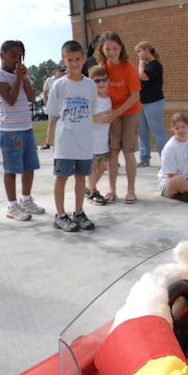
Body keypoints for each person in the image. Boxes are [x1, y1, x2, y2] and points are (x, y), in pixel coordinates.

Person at [45, 41, 98, 232]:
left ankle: (78, 212)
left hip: (83, 142)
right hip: (65, 143)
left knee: (81, 177)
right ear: (63, 61)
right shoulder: (59, 85)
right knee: (62, 177)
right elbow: (54, 113)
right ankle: (60, 215)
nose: (74, 63)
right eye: (70, 60)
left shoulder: (90, 85)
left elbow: (91, 111)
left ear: (84, 59)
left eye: (78, 59)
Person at [0, 39, 44, 221]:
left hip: (26, 127)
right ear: (2, 55)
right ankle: (12, 206)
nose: (17, 60)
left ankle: (26, 200)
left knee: (29, 166)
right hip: (9, 129)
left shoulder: (19, 75)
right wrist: (18, 78)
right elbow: (10, 99)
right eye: (13, 56)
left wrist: (25, 78)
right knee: (12, 168)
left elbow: (30, 97)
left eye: (20, 56)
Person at [95, 31, 141, 204]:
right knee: (113, 151)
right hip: (111, 113)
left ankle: (131, 190)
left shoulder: (128, 67)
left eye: (115, 48)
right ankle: (112, 189)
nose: (112, 52)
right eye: (108, 49)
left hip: (129, 111)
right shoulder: (102, 66)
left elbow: (135, 95)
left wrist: (117, 112)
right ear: (102, 49)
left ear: (121, 48)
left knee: (128, 151)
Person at [135, 41, 168, 168]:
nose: (139, 54)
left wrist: (141, 61)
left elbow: (143, 76)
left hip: (154, 102)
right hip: (142, 102)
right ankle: (144, 157)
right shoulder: (145, 65)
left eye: (140, 51)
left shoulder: (155, 65)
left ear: (147, 49)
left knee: (157, 130)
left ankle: (166, 158)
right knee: (142, 131)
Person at [86, 65, 113, 206]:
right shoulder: (91, 98)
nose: (101, 83)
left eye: (103, 80)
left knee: (102, 167)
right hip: (92, 139)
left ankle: (89, 188)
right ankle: (93, 191)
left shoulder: (110, 96)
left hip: (104, 139)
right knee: (93, 165)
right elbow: (85, 117)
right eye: (97, 81)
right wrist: (98, 118)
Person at [40, 64, 65, 150]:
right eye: (60, 71)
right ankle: (47, 142)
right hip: (52, 104)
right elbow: (45, 92)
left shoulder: (64, 81)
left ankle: (58, 143)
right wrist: (46, 104)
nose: (62, 73)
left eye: (63, 71)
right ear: (56, 71)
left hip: (61, 105)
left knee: (60, 124)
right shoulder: (49, 80)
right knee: (51, 124)